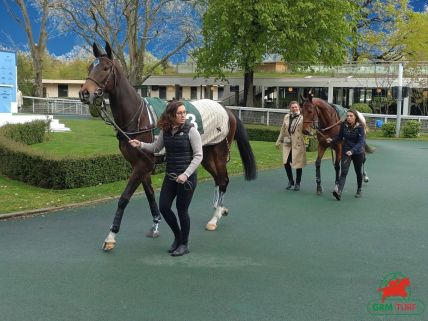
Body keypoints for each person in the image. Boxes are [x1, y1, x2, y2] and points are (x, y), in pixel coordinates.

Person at [129, 101, 203, 256]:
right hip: (170, 176)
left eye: (184, 112)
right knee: (163, 207)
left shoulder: (191, 131)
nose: (183, 115)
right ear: (171, 115)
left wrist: (186, 174)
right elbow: (156, 147)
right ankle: (178, 236)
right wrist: (140, 144)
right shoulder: (165, 131)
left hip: (187, 179)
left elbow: (198, 156)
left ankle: (184, 244)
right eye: (180, 113)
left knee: (182, 210)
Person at [327, 110, 365, 200]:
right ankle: (338, 192)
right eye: (347, 116)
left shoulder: (360, 127)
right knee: (343, 172)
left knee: (358, 172)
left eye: (351, 116)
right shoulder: (343, 126)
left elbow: (361, 142)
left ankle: (359, 189)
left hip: (358, 152)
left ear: (355, 117)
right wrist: (332, 140)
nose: (349, 117)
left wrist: (352, 151)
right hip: (346, 152)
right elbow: (340, 137)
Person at [275, 101, 307, 191]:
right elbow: (282, 129)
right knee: (286, 162)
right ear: (290, 108)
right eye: (292, 107)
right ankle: (290, 181)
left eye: (296, 107)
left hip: (298, 143)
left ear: (299, 108)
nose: (294, 108)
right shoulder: (286, 116)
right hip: (287, 143)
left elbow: (308, 129)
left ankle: (298, 183)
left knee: (298, 164)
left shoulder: (303, 117)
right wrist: (278, 141)